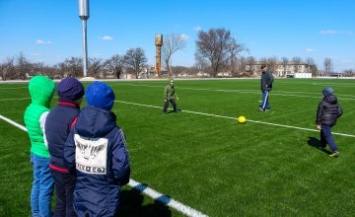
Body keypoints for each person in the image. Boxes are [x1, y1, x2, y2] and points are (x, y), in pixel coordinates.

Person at [64, 81, 131, 217]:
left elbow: (68, 156)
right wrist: (118, 181)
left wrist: (81, 172)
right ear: (110, 104)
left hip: (81, 193)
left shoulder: (76, 126)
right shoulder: (115, 133)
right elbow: (121, 168)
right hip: (105, 198)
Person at [45, 77, 85, 217]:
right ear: (77, 97)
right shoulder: (76, 116)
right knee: (72, 205)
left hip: (54, 165)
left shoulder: (52, 112)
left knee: (61, 202)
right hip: (69, 169)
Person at [24, 75, 56, 217]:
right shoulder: (45, 114)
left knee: (37, 184)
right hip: (45, 156)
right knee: (46, 190)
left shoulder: (30, 108)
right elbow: (49, 141)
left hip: (35, 152)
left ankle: (36, 213)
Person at [316, 87, 343, 157]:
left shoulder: (323, 102)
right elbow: (340, 111)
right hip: (332, 120)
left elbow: (319, 113)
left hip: (326, 121)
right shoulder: (336, 100)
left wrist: (318, 123)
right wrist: (334, 117)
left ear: (325, 94)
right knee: (323, 131)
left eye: (323, 93)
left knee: (327, 135)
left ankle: (335, 150)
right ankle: (323, 144)